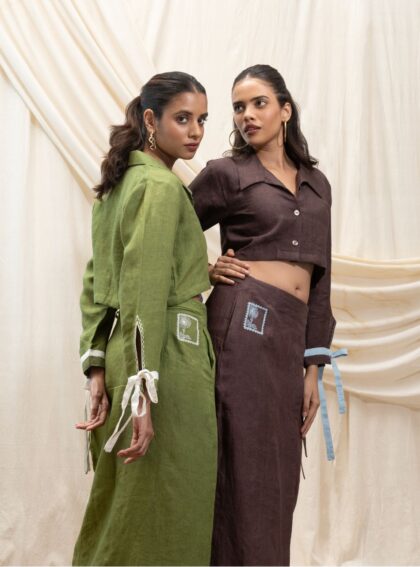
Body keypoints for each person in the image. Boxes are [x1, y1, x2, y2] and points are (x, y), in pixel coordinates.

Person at [190, 64, 345, 566]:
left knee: (277, 468)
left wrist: (313, 366)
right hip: (242, 323)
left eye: (259, 103)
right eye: (239, 107)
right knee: (241, 462)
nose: (247, 115)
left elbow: (320, 280)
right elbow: (169, 227)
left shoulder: (317, 185)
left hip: (290, 334)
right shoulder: (228, 173)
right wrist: (205, 268)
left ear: (285, 109)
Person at [73, 72, 217, 566]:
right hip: (164, 361)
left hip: (125, 352)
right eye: (183, 119)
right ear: (151, 120)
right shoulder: (159, 186)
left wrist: (97, 369)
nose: (195, 132)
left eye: (202, 120)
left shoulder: (118, 186)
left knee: (126, 506)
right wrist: (142, 392)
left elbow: (99, 281)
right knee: (171, 503)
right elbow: (144, 290)